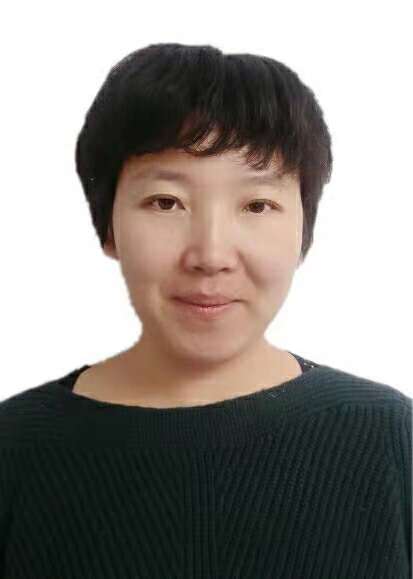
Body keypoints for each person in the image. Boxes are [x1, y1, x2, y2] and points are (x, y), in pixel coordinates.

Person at [0, 42, 410, 578]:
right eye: (166, 202)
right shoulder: (14, 448)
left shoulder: (389, 438)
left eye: (257, 204)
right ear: (108, 225)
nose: (211, 255)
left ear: (303, 231)